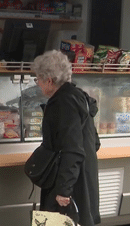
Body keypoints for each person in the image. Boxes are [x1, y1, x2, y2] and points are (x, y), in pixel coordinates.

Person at [31, 50, 101, 226]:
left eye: (38, 79)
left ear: (49, 80)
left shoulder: (63, 103)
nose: (37, 84)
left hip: (69, 184)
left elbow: (73, 149)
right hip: (83, 179)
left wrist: (64, 189)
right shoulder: (78, 97)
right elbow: (95, 142)